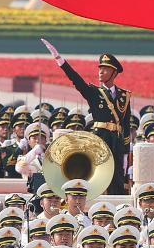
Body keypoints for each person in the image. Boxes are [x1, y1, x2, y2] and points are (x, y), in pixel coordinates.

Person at [43, 39, 131, 194]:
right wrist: (60, 61)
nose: (100, 72)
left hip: (116, 140)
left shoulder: (125, 96)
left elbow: (126, 125)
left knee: (117, 177)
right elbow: (76, 80)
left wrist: (125, 151)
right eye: (100, 69)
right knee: (98, 174)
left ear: (114, 72)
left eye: (105, 69)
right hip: (100, 138)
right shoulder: (94, 92)